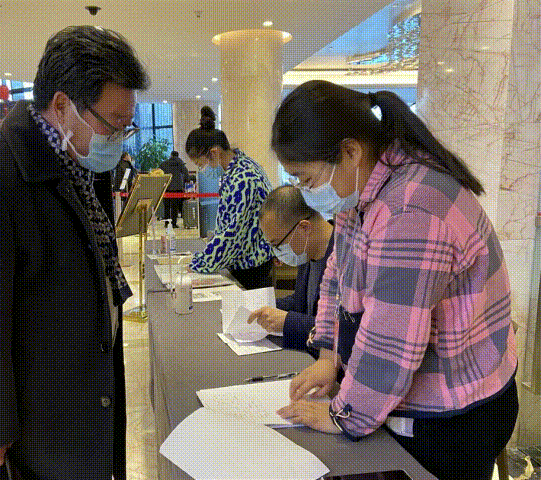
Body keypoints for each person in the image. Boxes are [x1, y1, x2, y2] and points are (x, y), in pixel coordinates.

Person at [0, 26, 149, 480]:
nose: (119, 137)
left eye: (127, 125)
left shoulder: (79, 165)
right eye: (112, 123)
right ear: (62, 106)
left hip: (77, 409)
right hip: (22, 439)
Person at [272, 80, 518, 480]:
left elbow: (392, 341)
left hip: (454, 417)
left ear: (350, 152)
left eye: (307, 179)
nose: (306, 191)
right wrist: (328, 357)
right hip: (411, 390)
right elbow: (336, 276)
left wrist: (343, 416)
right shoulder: (362, 189)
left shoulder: (411, 210)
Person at [186, 106, 273, 290]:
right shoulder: (239, 168)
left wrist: (199, 264)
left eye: (200, 164)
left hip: (251, 268)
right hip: (246, 262)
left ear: (214, 152)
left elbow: (232, 234)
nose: (203, 170)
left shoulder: (243, 178)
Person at [247, 185, 333, 357]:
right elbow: (302, 302)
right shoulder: (307, 252)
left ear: (304, 228)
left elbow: (342, 330)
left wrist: (288, 322)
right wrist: (266, 306)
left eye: (278, 244)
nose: (276, 252)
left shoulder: (346, 257)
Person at [159, 150, 194, 228]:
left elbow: (159, 172)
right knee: (174, 207)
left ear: (171, 155)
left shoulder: (164, 163)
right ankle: (173, 223)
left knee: (167, 207)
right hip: (177, 188)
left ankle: (167, 223)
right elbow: (186, 174)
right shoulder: (180, 163)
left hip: (167, 187)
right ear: (177, 156)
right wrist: (187, 181)